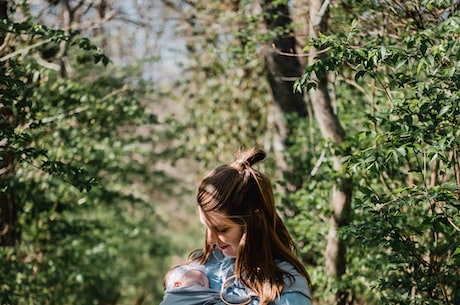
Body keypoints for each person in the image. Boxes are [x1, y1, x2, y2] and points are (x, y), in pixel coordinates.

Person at [188, 147, 312, 305]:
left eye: (222, 229)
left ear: (255, 221)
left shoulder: (287, 290)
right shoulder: (199, 269)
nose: (210, 240)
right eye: (206, 227)